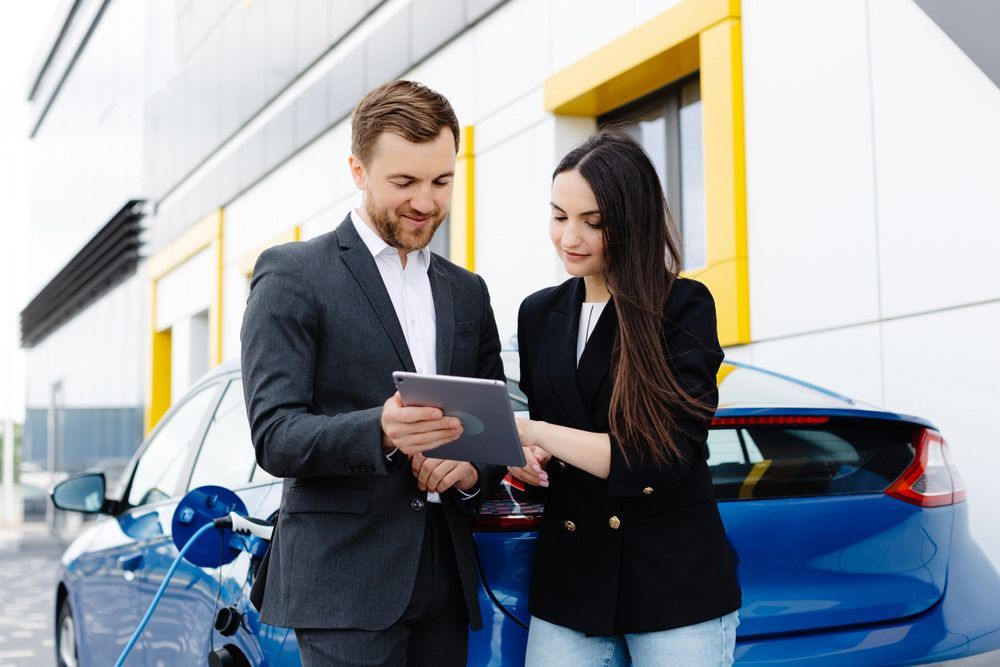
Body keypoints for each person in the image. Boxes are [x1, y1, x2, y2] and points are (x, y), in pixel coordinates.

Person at [241, 80, 506, 667]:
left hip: (447, 579)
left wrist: (469, 471)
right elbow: (275, 436)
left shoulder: (467, 291)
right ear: (358, 170)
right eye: (404, 182)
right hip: (343, 587)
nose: (426, 202)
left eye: (442, 181)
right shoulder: (292, 275)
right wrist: (381, 429)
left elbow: (494, 425)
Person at [508, 130, 742, 666]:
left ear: (632, 222)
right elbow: (556, 436)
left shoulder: (681, 306)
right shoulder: (538, 314)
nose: (570, 236)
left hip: (673, 585)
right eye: (559, 215)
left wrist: (539, 432)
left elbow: (662, 458)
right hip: (570, 584)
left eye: (593, 222)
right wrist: (525, 459)